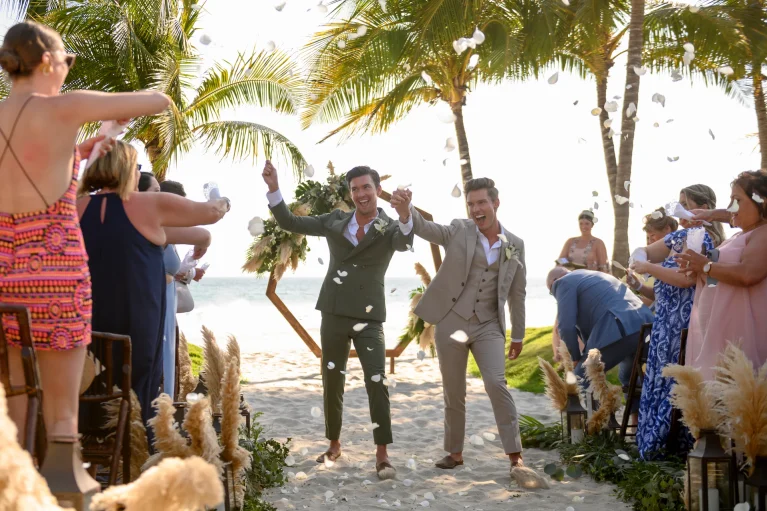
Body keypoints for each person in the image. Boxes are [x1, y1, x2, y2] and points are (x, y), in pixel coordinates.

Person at [0, 20, 170, 446]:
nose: (67, 68)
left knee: (16, 408)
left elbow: (30, 171)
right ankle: (62, 481)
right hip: (57, 277)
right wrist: (113, 110)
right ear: (46, 60)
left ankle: (16, 480)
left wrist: (79, 152)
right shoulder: (64, 106)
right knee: (62, 415)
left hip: (6, 275)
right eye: (67, 59)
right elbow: (158, 101)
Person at [261, 160, 414, 479]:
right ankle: (334, 445)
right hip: (333, 310)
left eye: (366, 187)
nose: (361, 194)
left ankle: (382, 453)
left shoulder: (390, 228)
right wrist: (274, 188)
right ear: (350, 193)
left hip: (370, 316)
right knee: (332, 379)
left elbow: (406, 242)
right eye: (355, 189)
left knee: (377, 380)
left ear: (378, 190)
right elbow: (290, 221)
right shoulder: (334, 220)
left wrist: (404, 214)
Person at [77, 140, 229, 430]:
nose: (138, 172)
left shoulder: (76, 206)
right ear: (124, 168)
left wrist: (202, 239)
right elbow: (212, 212)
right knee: (137, 394)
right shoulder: (148, 204)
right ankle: (134, 445)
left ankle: (93, 442)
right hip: (136, 322)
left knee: (91, 387)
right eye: (136, 166)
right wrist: (223, 200)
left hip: (87, 318)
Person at [390, 178, 526, 473]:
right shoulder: (459, 230)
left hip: (488, 324)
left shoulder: (515, 244)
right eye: (471, 204)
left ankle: (515, 455)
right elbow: (427, 228)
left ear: (495, 203)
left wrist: (518, 335)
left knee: (496, 383)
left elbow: (517, 293)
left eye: (481, 202)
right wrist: (406, 211)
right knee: (454, 390)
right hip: (452, 321)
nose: (476, 209)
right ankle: (455, 453)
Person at [629, 213, 713, 459]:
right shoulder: (676, 240)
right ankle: (655, 442)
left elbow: (685, 281)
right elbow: (644, 254)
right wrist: (638, 280)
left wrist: (648, 267)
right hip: (663, 325)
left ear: (702, 209)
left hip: (681, 324)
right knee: (659, 379)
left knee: (675, 380)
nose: (680, 212)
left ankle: (673, 443)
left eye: (685, 205)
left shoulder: (700, 238)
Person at [676, 170, 767, 380]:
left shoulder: (763, 233)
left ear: (762, 202)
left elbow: (748, 274)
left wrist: (705, 266)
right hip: (720, 333)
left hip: (744, 337)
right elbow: (718, 277)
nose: (731, 207)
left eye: (737, 200)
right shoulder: (742, 234)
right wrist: (698, 268)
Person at [546, 268, 653, 390]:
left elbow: (565, 327)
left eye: (552, 292)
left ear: (555, 281)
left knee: (579, 381)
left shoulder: (562, 282)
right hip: (647, 326)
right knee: (628, 378)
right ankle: (639, 403)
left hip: (619, 326)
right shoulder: (595, 275)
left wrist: (575, 358)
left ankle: (601, 405)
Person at [551, 210, 608, 363]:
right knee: (564, 318)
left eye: (587, 223)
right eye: (581, 223)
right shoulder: (571, 241)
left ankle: (582, 357)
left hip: (588, 286)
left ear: (592, 225)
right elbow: (560, 261)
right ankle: (562, 356)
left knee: (581, 320)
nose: (584, 226)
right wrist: (567, 266)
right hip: (569, 285)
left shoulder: (598, 243)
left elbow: (604, 268)